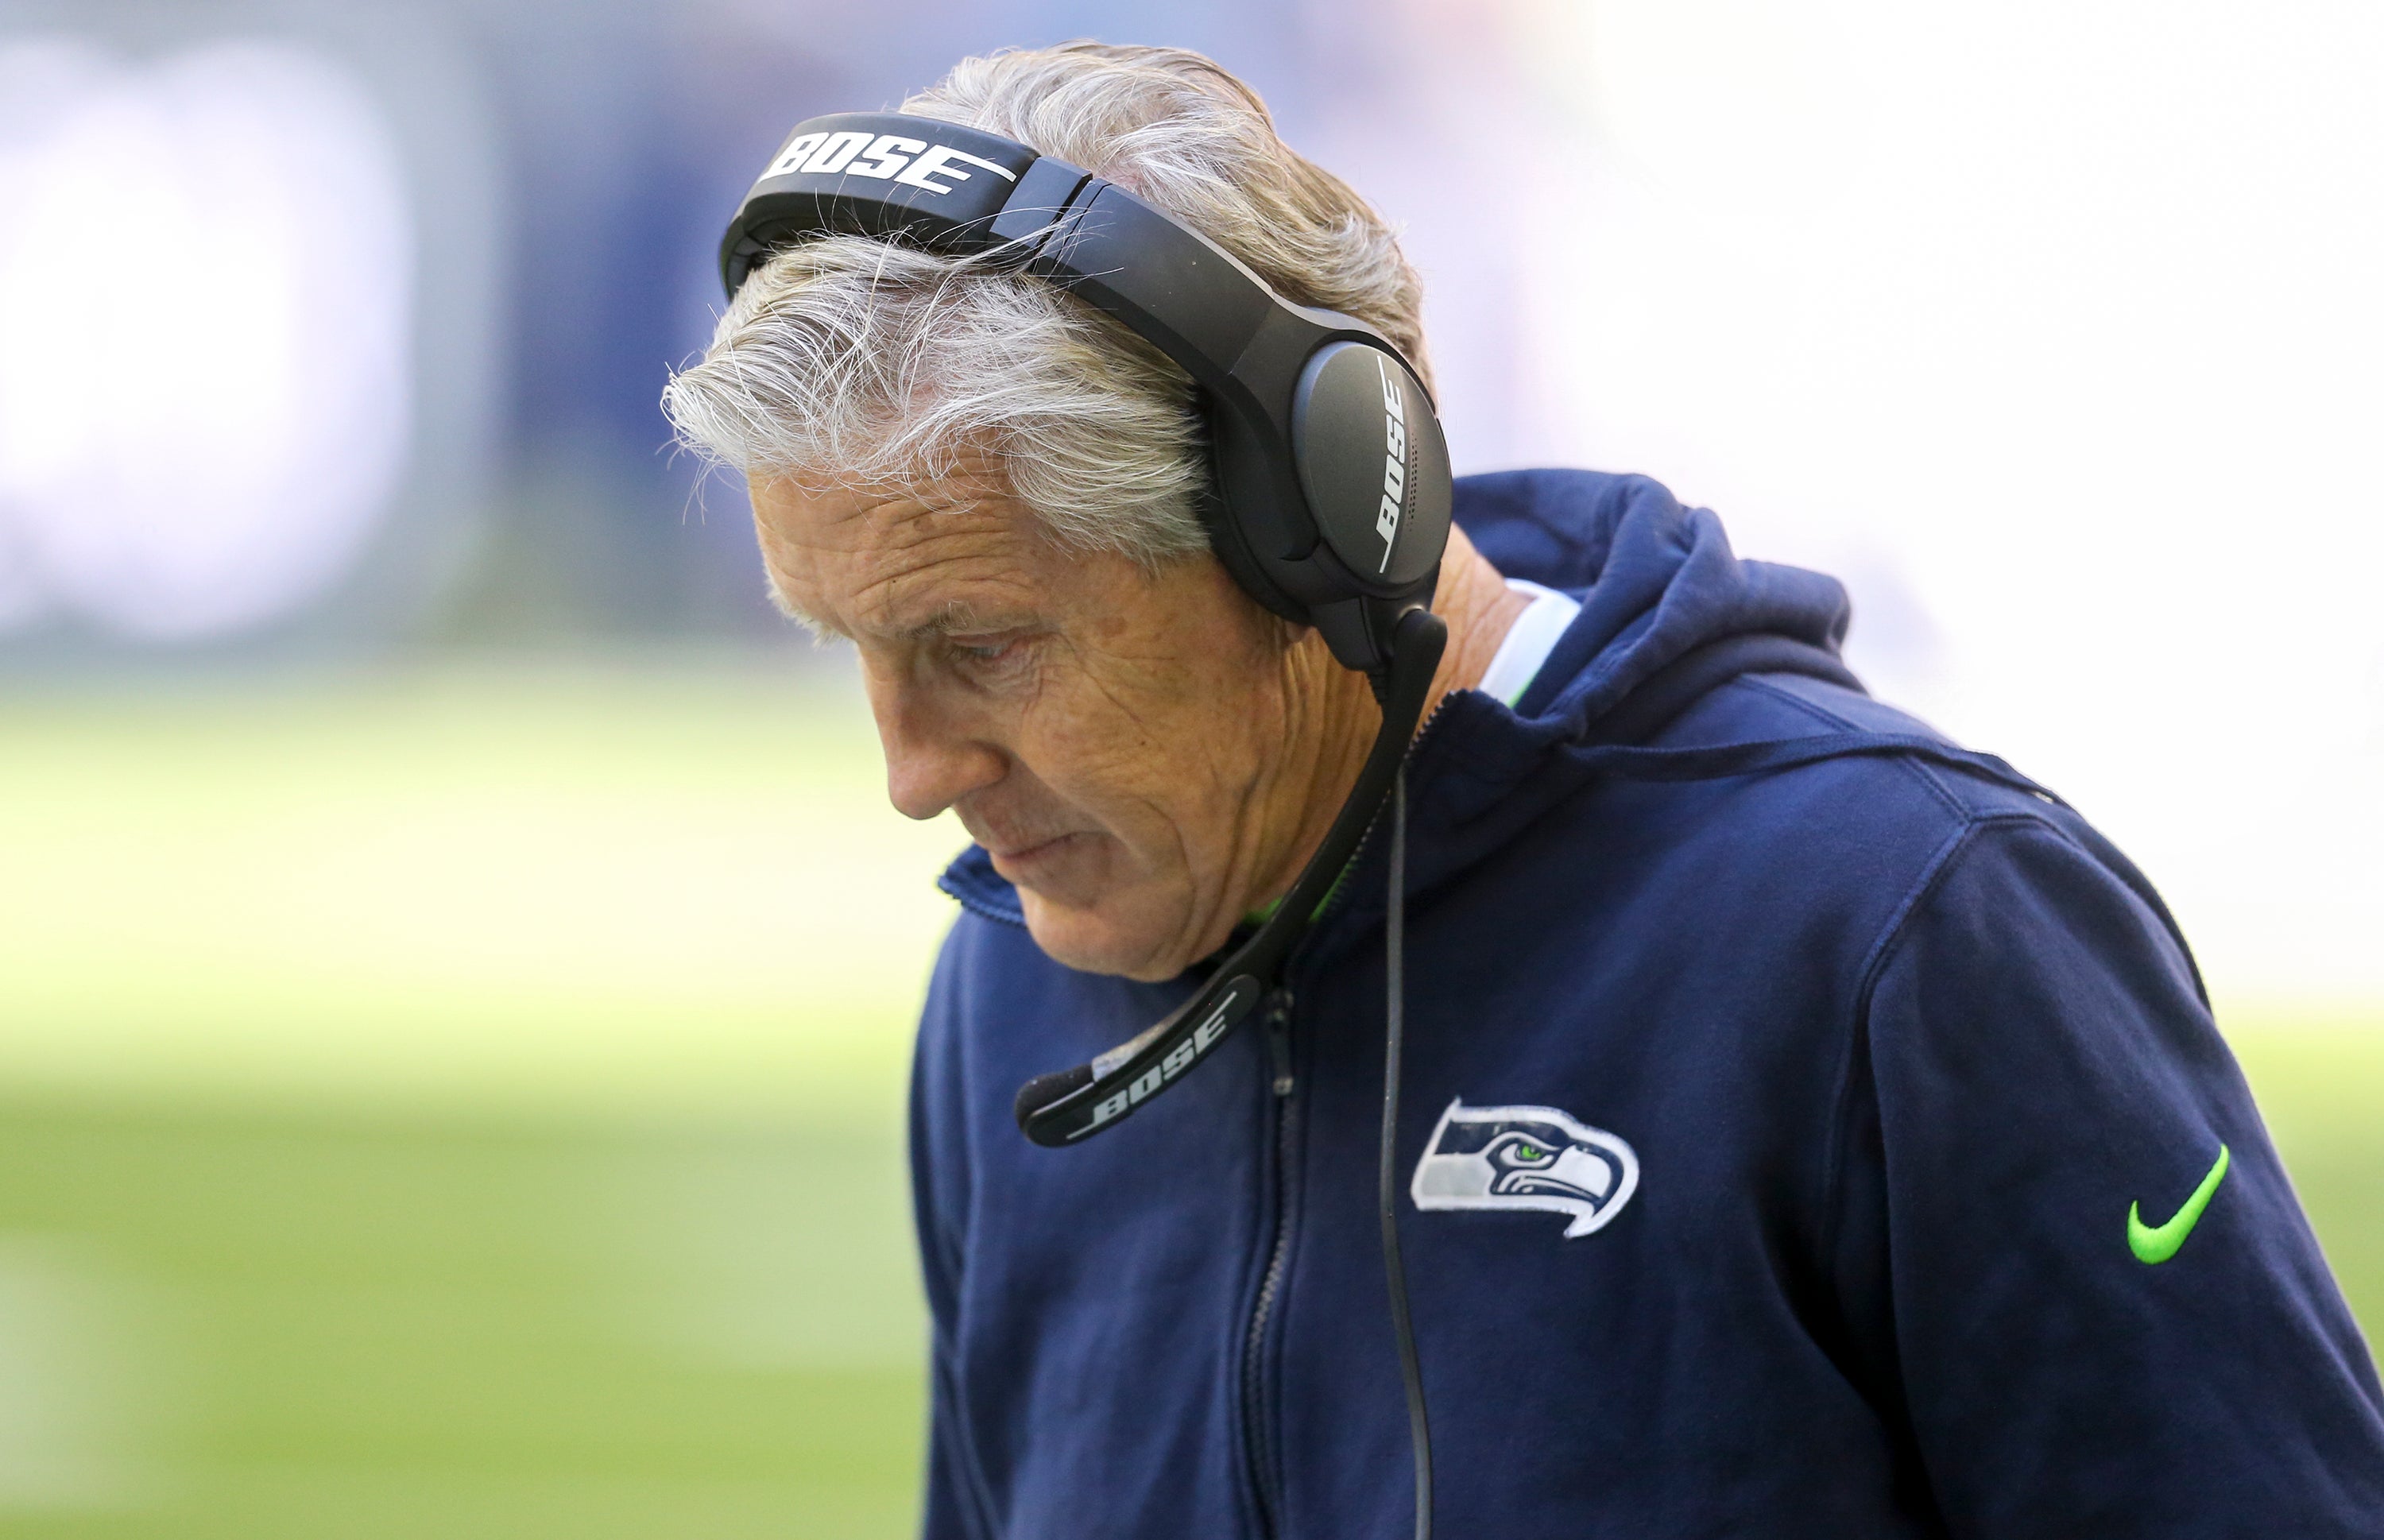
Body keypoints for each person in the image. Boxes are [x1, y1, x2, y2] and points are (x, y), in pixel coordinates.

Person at [665, 41, 2384, 1540]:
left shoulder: (1905, 931)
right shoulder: (1017, 991)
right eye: (852, 650)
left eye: (981, 646)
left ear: (1318, 534)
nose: (912, 776)